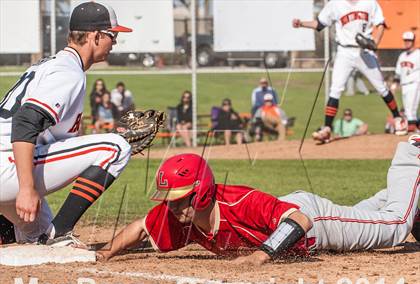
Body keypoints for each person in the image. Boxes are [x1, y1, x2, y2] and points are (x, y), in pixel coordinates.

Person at [96, 137, 419, 263]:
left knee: (395, 225)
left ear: (203, 191)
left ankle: (412, 151)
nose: (173, 207)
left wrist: (260, 256)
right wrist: (107, 253)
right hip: (294, 219)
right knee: (369, 211)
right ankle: (403, 191)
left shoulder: (241, 202)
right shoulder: (181, 216)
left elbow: (300, 220)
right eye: (168, 200)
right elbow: (141, 227)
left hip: (314, 223)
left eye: (180, 199)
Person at [0, 2, 133, 246]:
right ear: (95, 36)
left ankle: (7, 229)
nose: (114, 42)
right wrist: (27, 188)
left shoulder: (51, 65)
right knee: (116, 148)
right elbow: (25, 122)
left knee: (36, 237)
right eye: (112, 36)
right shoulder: (67, 71)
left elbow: (50, 135)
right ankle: (59, 232)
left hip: (8, 163)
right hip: (8, 166)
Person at [292, 0, 407, 143]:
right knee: (335, 90)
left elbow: (381, 24)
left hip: (365, 51)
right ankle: (327, 128)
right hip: (344, 52)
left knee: (381, 88)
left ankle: (397, 118)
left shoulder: (369, 2)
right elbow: (320, 24)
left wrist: (375, 43)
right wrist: (301, 23)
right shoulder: (336, 4)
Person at [392, 31, 420, 134]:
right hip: (404, 85)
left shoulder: (418, 54)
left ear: (413, 41)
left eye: (409, 40)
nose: (407, 42)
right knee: (408, 109)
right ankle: (415, 131)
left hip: (415, 83)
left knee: (411, 110)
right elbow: (398, 72)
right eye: (406, 40)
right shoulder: (402, 55)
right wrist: (395, 83)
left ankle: (411, 132)